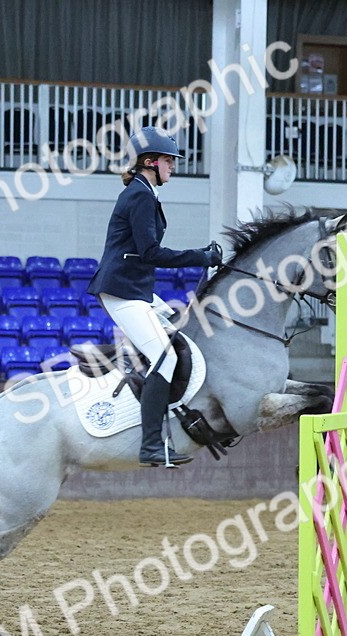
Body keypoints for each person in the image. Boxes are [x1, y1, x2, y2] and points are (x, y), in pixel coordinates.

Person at [86, 126, 222, 467]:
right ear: (150, 162)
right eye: (168, 160)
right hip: (122, 292)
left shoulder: (145, 191)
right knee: (166, 359)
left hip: (137, 289)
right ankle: (150, 446)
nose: (173, 166)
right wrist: (201, 256)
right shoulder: (140, 195)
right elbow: (150, 252)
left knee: (181, 329)